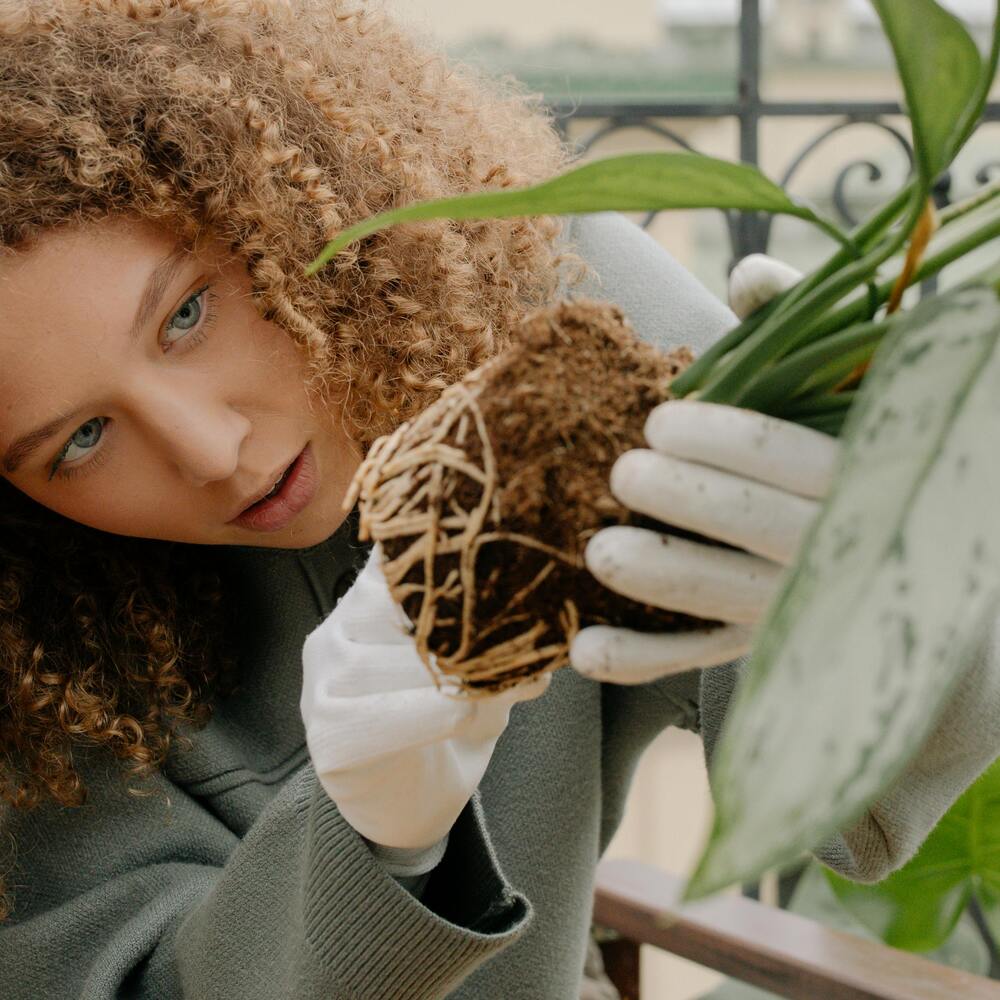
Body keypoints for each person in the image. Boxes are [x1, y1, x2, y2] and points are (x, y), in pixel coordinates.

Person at [2, 2, 999, 998]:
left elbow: (857, 776)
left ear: (269, 198)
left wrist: (899, 549)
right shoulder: (28, 652)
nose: (212, 451)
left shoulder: (533, 294)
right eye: (82, 440)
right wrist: (382, 845)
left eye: (186, 313)